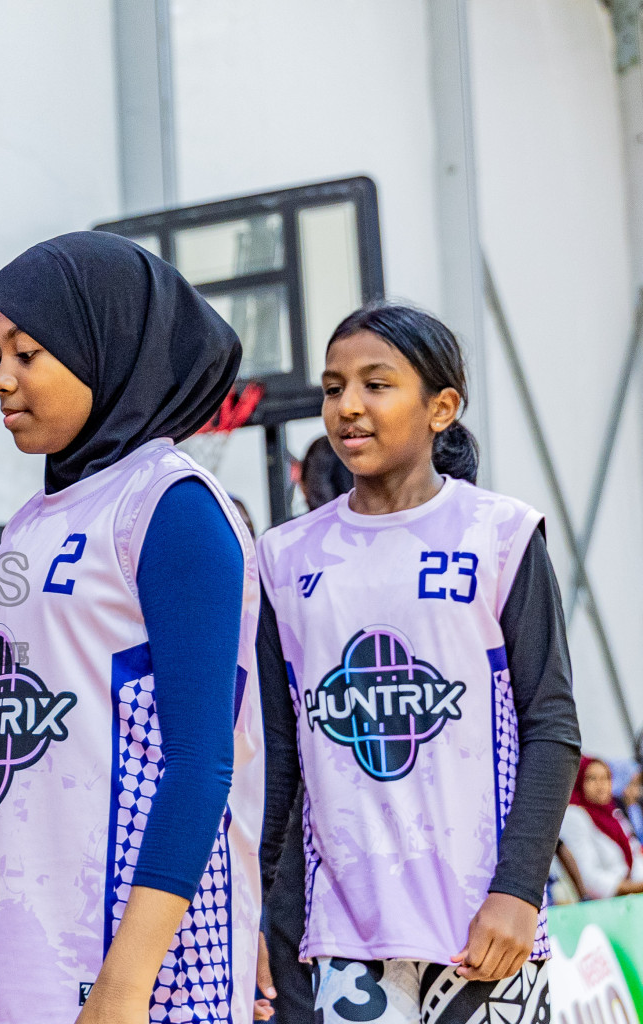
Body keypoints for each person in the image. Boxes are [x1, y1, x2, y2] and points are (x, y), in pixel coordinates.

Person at [0, 231, 262, 1024]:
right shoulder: (29, 522)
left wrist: (128, 982)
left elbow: (202, 765)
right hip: (20, 946)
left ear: (108, 349)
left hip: (134, 963)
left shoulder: (172, 509)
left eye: (27, 353)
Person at [257, 303, 581, 1024]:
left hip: (481, 926)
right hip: (338, 935)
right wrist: (255, 906)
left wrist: (519, 892)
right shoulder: (284, 557)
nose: (347, 407)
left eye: (376, 384)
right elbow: (280, 755)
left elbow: (551, 726)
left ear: (441, 408)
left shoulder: (499, 534)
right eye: (333, 387)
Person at [559, 757, 643, 899]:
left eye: (606, 778)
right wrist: (633, 887)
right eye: (592, 779)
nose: (601, 785)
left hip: (627, 898)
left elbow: (634, 857)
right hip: (603, 904)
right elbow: (588, 879)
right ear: (579, 781)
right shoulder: (574, 816)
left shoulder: (613, 813)